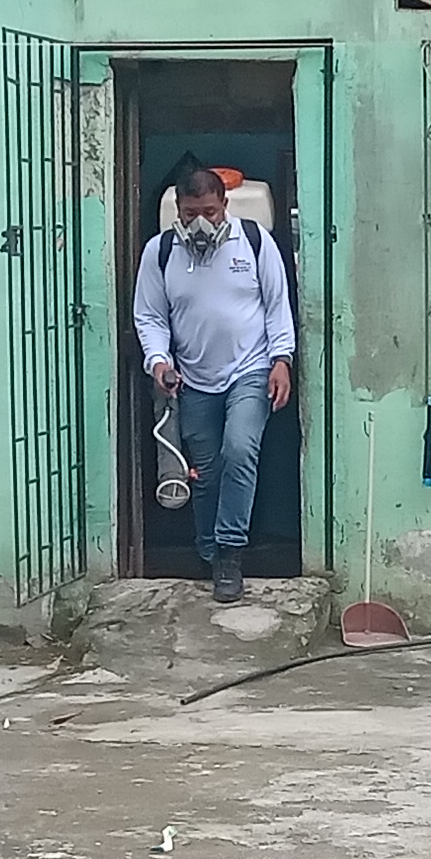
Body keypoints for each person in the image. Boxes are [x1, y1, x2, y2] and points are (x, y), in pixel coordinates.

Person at [132, 167, 296, 602]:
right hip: (193, 376)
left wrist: (281, 360)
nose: (200, 223)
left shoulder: (255, 242)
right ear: (177, 211)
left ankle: (229, 553)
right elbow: (149, 315)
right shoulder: (160, 252)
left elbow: (277, 305)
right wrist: (158, 361)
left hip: (250, 369)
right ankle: (207, 550)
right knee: (204, 472)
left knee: (240, 449)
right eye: (190, 214)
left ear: (225, 205)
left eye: (209, 211)